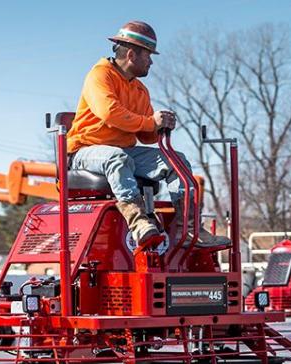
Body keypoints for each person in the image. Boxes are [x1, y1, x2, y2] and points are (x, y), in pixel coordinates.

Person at [67, 21, 229, 249]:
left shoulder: (140, 90)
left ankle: (189, 229)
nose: (151, 61)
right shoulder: (100, 75)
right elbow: (110, 113)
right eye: (148, 55)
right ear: (132, 54)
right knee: (117, 158)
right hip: (86, 151)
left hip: (124, 151)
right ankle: (139, 221)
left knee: (177, 161)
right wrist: (150, 121)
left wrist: (159, 127)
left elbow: (145, 136)